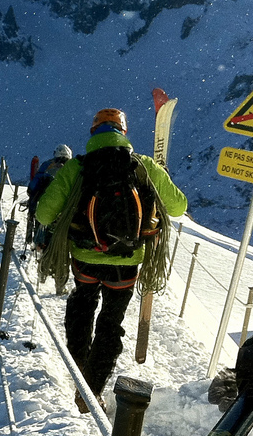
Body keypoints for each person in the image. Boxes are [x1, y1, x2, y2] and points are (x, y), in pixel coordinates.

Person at [36, 108, 186, 413]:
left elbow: (43, 214)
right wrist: (162, 176)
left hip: (85, 260)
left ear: (94, 133)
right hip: (126, 263)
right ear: (124, 132)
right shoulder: (143, 166)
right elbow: (178, 207)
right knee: (110, 324)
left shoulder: (78, 167)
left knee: (81, 309)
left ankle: (79, 373)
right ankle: (92, 389)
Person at [26, 144, 72, 250]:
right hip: (65, 205)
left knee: (39, 220)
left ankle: (36, 242)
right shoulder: (72, 168)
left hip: (43, 202)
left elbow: (33, 185)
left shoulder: (47, 166)